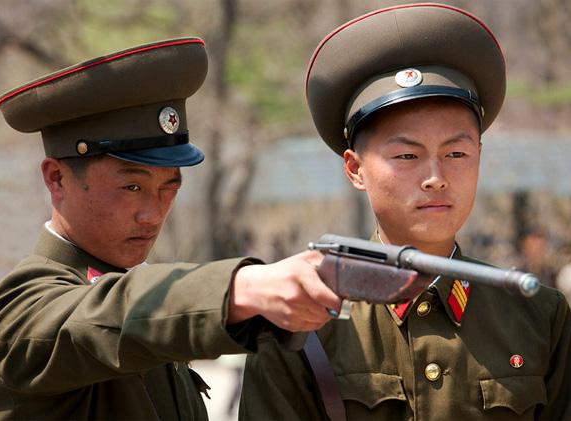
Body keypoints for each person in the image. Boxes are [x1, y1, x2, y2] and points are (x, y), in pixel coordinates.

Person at [240, 4, 571, 420]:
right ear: (355, 169)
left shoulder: (539, 315)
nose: (436, 177)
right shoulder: (299, 319)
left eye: (456, 152)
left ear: (480, 157)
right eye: (407, 155)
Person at [0, 38, 342, 420]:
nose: (153, 215)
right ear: (57, 178)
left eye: (170, 188)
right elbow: (106, 315)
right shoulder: (21, 307)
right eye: (131, 187)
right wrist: (242, 286)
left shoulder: (142, 292)